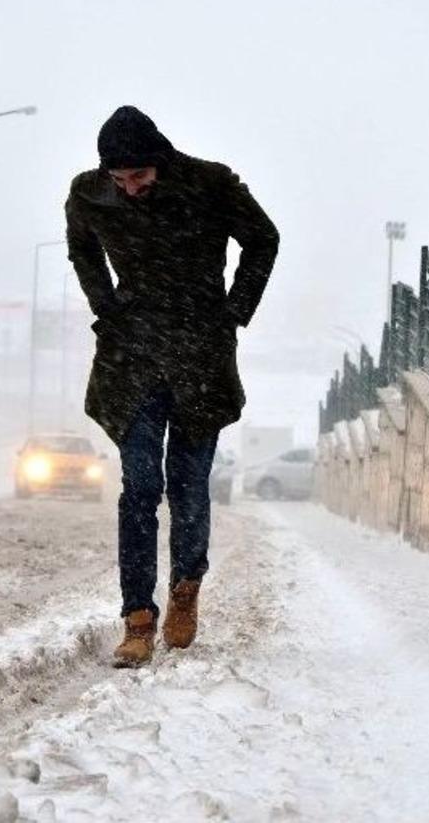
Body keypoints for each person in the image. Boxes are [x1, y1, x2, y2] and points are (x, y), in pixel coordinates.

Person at [64, 106, 279, 668]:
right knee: (139, 485)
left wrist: (234, 310)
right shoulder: (89, 194)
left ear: (158, 162)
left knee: (186, 484)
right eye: (120, 180)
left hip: (199, 356)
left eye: (139, 178)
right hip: (132, 355)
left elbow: (262, 238)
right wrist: (104, 303)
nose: (130, 190)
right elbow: (82, 247)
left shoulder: (210, 183)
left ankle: (186, 589)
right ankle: (137, 618)